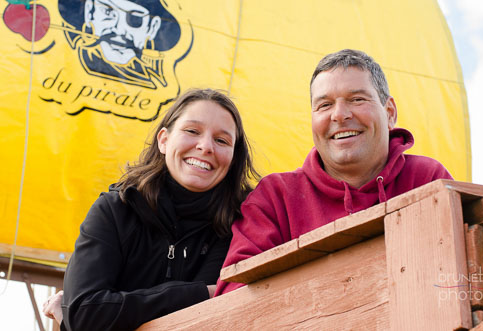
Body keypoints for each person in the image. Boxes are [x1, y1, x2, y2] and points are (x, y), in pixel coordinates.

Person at [214, 49, 453, 296]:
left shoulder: (427, 180)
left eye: (357, 99)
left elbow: (460, 273)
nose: (339, 115)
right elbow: (236, 294)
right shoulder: (275, 198)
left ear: (390, 113)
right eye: (325, 105)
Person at [43, 88, 259, 330]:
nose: (206, 146)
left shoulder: (237, 226)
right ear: (164, 140)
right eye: (192, 131)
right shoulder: (115, 210)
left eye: (222, 140)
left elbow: (210, 321)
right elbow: (85, 314)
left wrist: (96, 313)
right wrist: (199, 293)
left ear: (233, 157)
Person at [58, 0, 184, 87]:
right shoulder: (61, 65)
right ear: (89, 12)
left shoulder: (158, 83)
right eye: (108, 13)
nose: (120, 30)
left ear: (152, 27)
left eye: (135, 19)